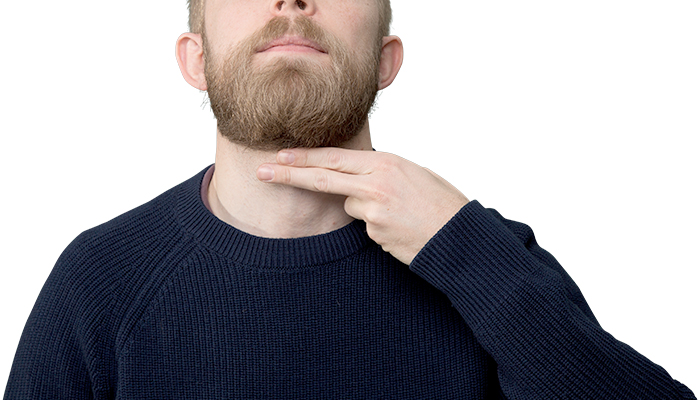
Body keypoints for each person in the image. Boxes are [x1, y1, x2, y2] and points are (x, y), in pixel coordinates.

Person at [3, 0, 697, 399]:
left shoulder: (488, 263)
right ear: (197, 61)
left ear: (387, 59)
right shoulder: (102, 279)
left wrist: (463, 251)